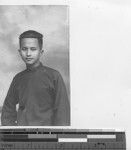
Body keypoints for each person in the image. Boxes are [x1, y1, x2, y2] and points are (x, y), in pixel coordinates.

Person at [1, 30, 70, 126]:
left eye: (33, 49)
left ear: (41, 52)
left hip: (48, 136)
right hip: (23, 135)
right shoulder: (18, 79)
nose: (28, 53)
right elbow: (7, 110)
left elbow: (62, 113)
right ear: (19, 52)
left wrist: (57, 137)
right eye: (24, 49)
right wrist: (13, 132)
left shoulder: (54, 76)